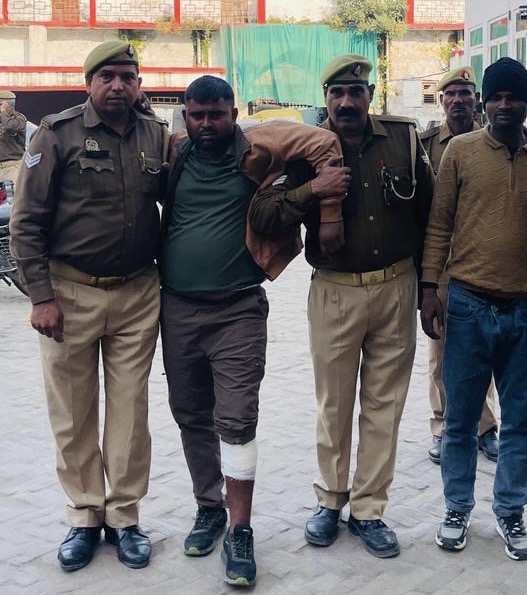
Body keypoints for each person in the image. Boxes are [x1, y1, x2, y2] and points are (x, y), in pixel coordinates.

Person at [249, 54, 434, 559]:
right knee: (334, 403)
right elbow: (263, 213)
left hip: (397, 285)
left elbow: (430, 214)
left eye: (356, 93)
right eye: (337, 94)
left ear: (370, 96)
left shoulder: (402, 139)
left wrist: (429, 286)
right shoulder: (304, 148)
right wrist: (313, 190)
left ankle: (369, 508)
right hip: (334, 289)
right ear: (325, 99)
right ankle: (330, 500)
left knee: (384, 405)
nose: (347, 102)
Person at [160, 75, 342, 586]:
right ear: (186, 116)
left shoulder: (260, 145)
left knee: (237, 419)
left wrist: (328, 211)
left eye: (216, 114)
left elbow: (325, 142)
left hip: (238, 309)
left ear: (233, 113)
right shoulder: (175, 154)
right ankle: (209, 509)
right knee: (190, 413)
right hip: (177, 308)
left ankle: (240, 530)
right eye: (197, 115)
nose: (207, 124)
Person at [9, 41, 167, 572]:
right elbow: (26, 221)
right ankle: (84, 515)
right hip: (68, 294)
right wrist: (41, 297)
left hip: (137, 294)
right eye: (108, 76)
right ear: (89, 83)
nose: (119, 85)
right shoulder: (57, 133)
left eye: (128, 76)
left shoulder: (155, 134)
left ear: (139, 84)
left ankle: (124, 517)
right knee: (73, 413)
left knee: (130, 413)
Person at [420, 57, 527, 560]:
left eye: (514, 97)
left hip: (526, 310)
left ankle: (510, 511)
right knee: (461, 421)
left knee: (521, 421)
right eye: (497, 97)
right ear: (485, 102)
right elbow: (439, 225)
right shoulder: (460, 152)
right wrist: (429, 288)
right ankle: (456, 508)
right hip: (467, 305)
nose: (505, 105)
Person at [419, 66, 499, 465]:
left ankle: (484, 427)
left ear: (476, 99)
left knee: (481, 348)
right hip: (440, 264)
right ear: (441, 100)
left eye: (465, 93)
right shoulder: (424, 145)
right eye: (450, 94)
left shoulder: (493, 141)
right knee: (440, 351)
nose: (458, 100)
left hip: (481, 261)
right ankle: (442, 426)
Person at [0, 89, 27, 187]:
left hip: (12, 167)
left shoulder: (19, 119)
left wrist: (3, 112)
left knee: (12, 194)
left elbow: (9, 126)